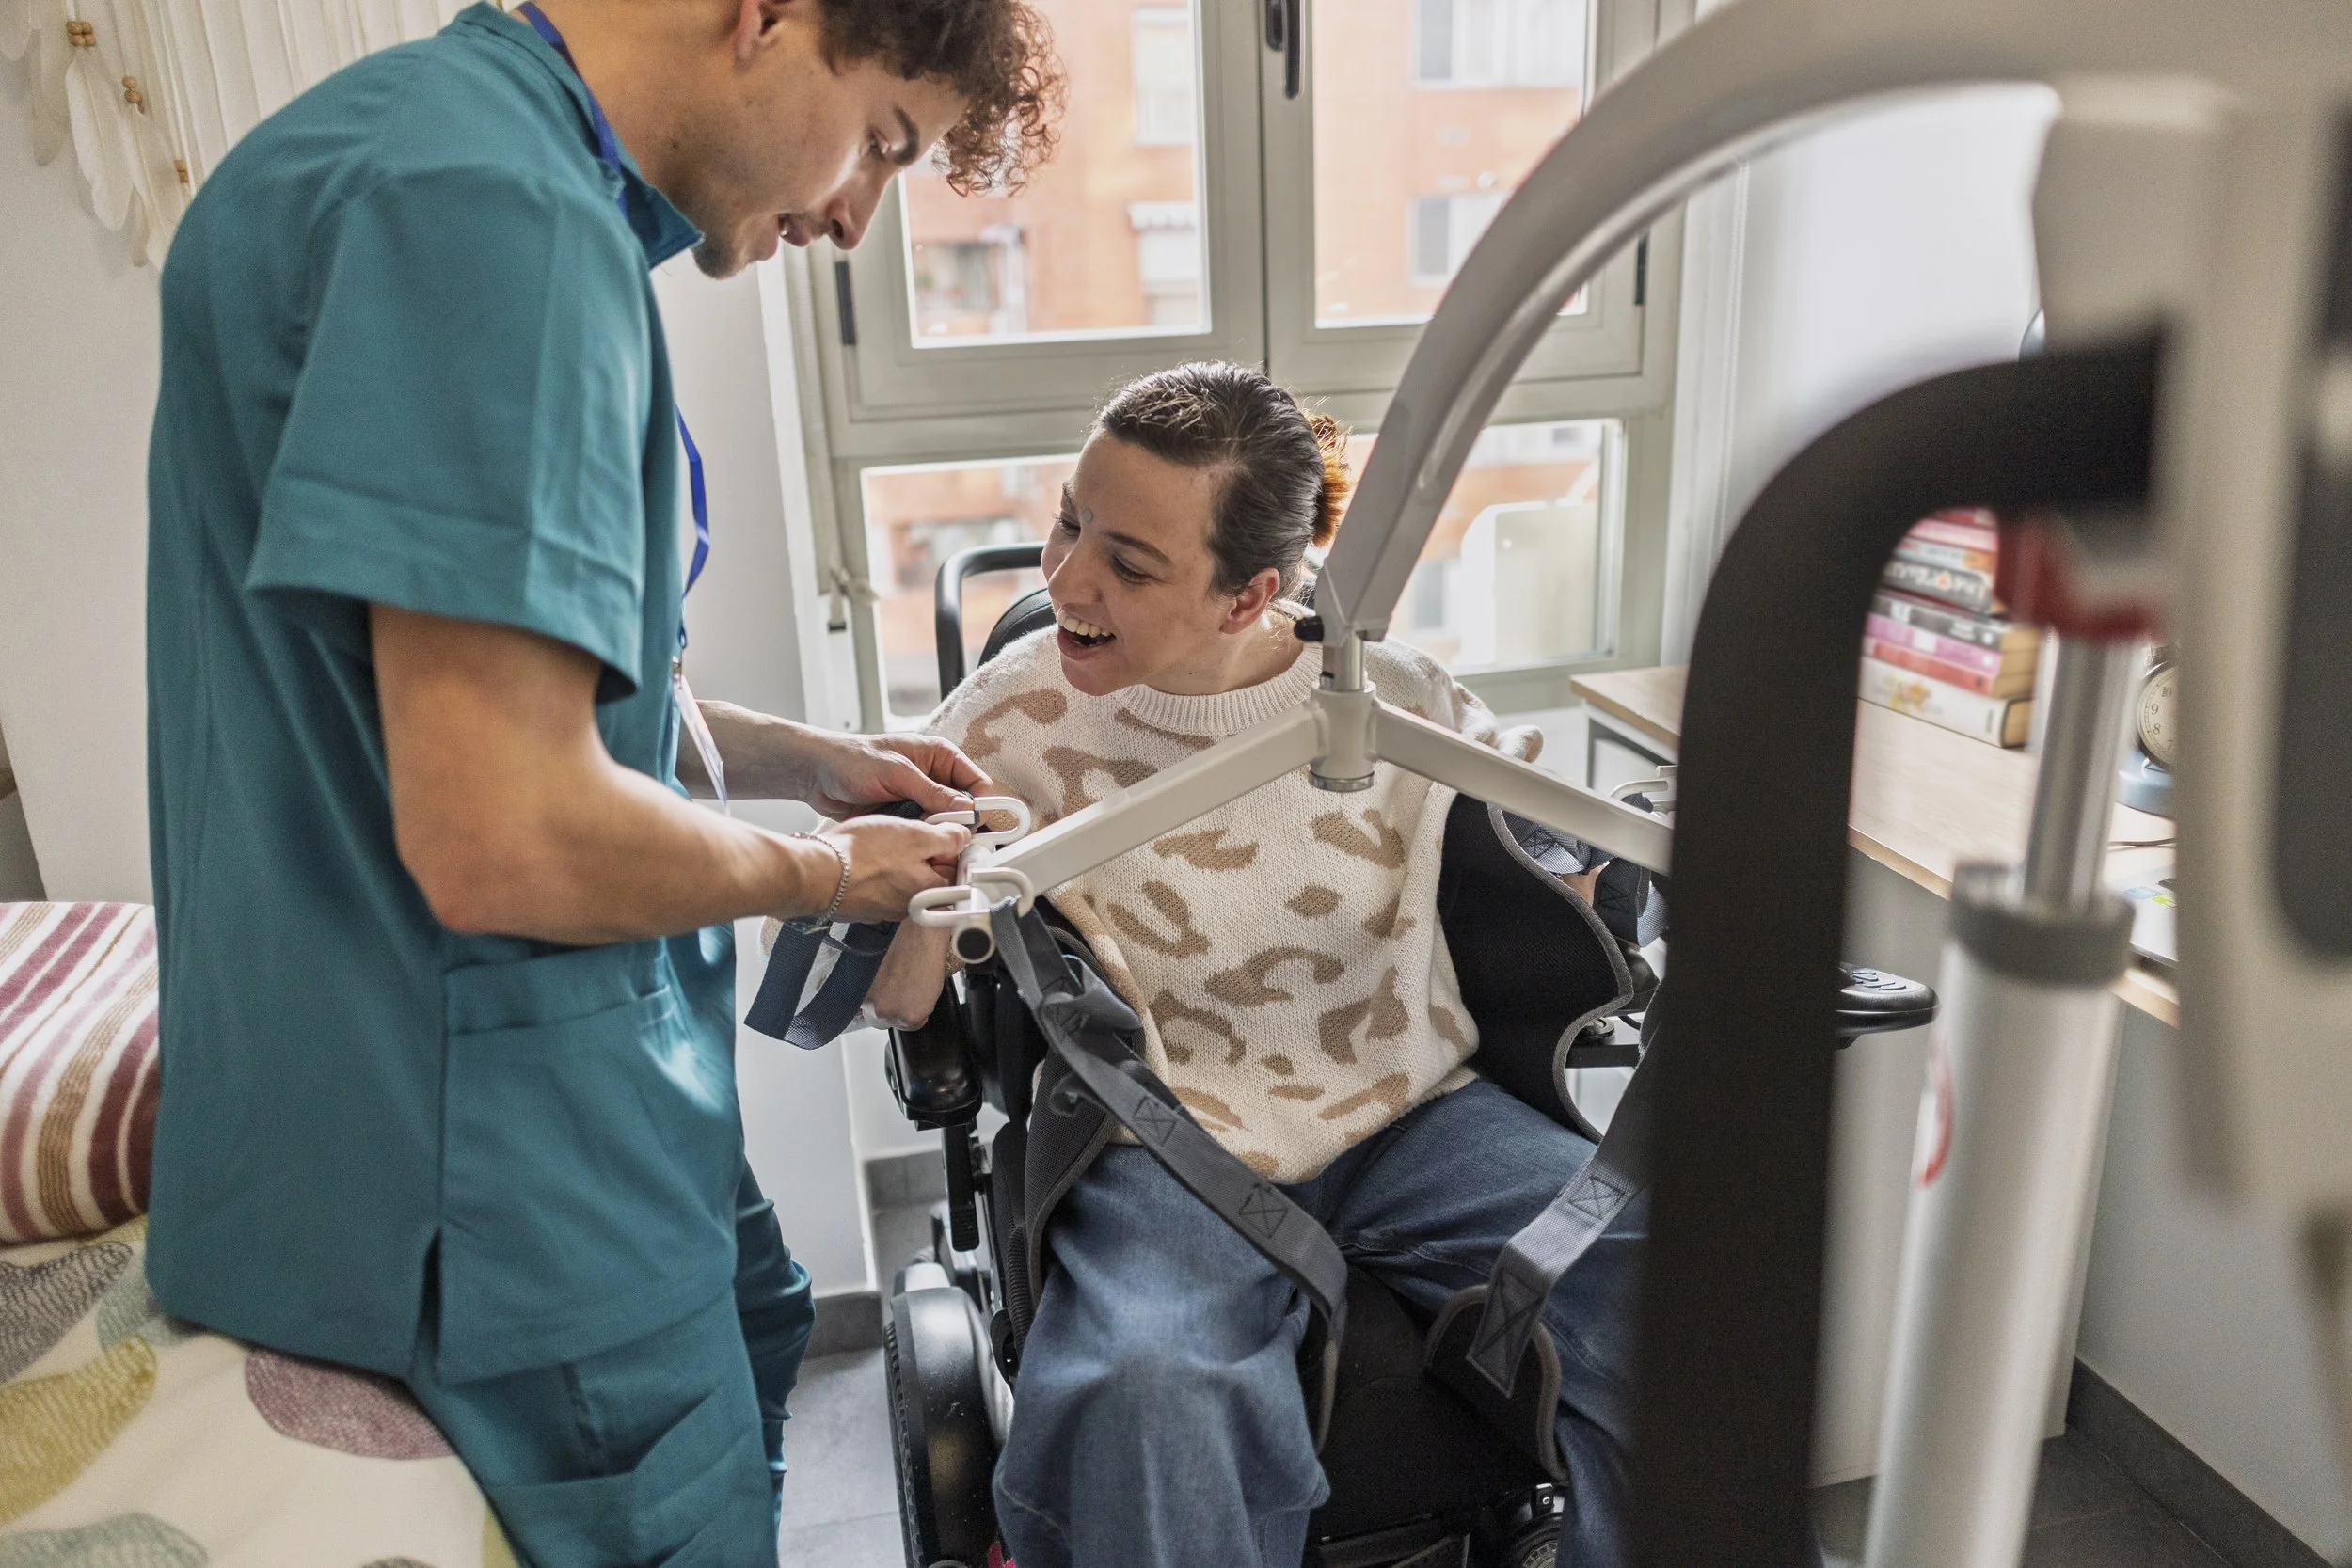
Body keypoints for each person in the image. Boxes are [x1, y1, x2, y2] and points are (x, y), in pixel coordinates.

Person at [141, 2, 1060, 1562]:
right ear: (770, 18)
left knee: (768, 1314)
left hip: (483, 1114)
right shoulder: (496, 226)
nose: (853, 218)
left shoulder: (409, 147)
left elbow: (532, 682)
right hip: (489, 1187)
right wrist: (830, 877)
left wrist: (810, 764)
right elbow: (508, 829)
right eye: (883, 144)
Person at [866, 361, 1645, 1568]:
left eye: (1128, 563)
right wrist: (922, 890)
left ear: (1251, 596)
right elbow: (895, 999)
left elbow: (1545, 860)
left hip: (1408, 1114)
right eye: (1070, 518)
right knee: (1148, 1388)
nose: (1065, 579)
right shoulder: (1004, 720)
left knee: (1663, 1277)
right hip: (1163, 1140)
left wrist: (1599, 869)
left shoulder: (1386, 696)